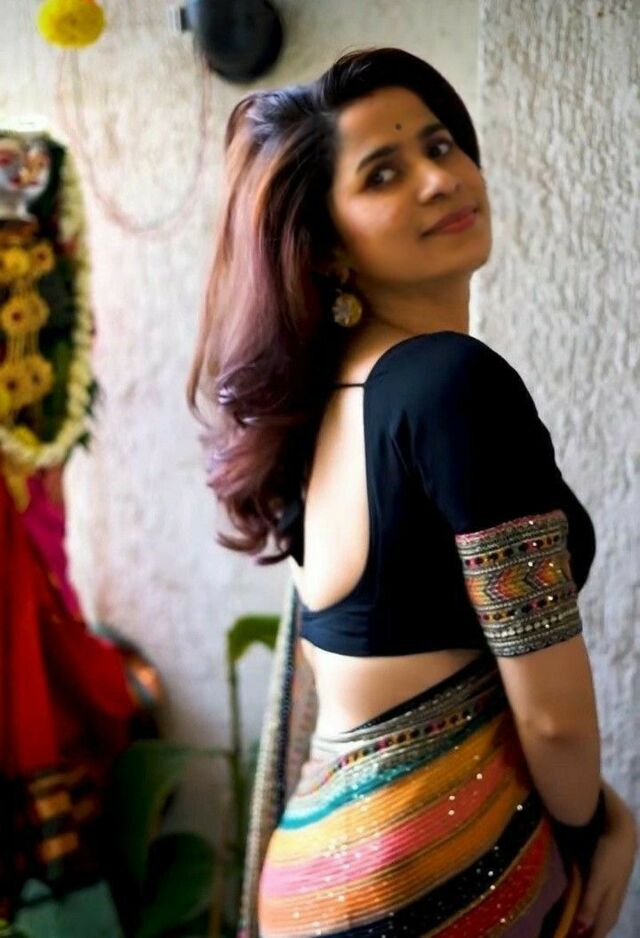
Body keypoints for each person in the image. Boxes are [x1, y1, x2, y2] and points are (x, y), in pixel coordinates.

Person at [187, 47, 637, 938]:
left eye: (440, 145)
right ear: (327, 247)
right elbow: (551, 720)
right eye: (383, 173)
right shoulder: (452, 384)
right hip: (435, 878)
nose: (439, 180)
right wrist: (599, 831)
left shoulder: (323, 399)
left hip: (310, 871)